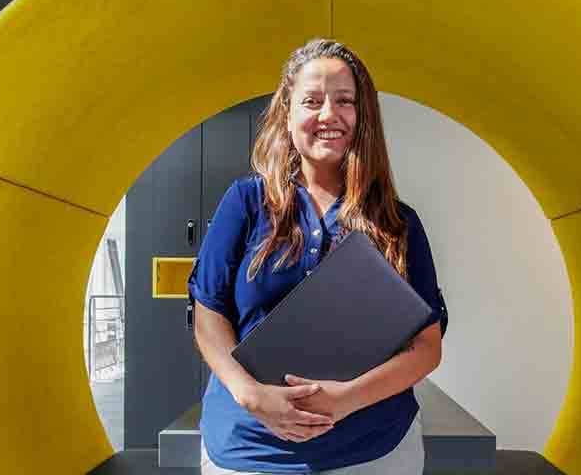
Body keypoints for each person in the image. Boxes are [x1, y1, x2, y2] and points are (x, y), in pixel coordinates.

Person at [187, 38, 445, 474]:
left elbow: (426, 347)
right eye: (312, 101)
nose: (328, 115)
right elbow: (208, 313)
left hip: (371, 451)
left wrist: (347, 399)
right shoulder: (245, 203)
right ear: (287, 115)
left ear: (362, 118)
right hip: (249, 451)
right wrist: (251, 395)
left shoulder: (399, 222)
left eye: (344, 101)